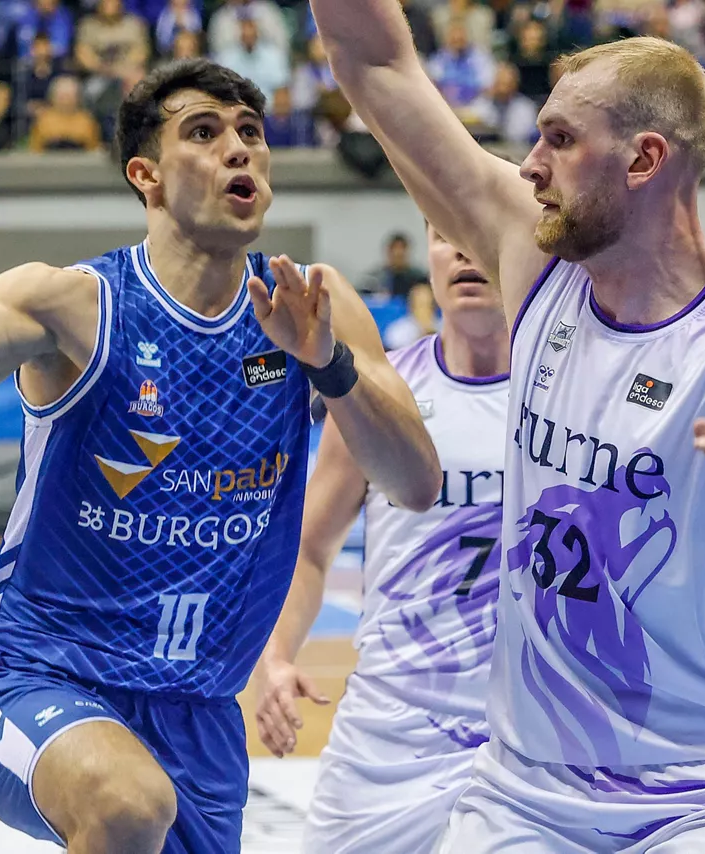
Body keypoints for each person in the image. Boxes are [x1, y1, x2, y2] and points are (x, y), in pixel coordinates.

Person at [0, 58, 441, 854]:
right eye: (205, 131)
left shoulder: (310, 304)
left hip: (201, 712)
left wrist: (328, 361)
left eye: (251, 133)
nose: (239, 149)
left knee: (136, 805)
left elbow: (416, 482)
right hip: (35, 676)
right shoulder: (73, 303)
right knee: (125, 802)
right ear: (145, 175)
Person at [310, 2, 705, 847]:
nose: (530, 164)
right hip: (526, 787)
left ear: (644, 159)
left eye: (558, 139)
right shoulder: (533, 255)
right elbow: (377, 65)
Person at [255, 222, 509, 853]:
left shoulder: (573, 394)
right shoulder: (379, 394)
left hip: (528, 736)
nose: (463, 251)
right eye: (445, 235)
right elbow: (310, 549)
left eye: (478, 231)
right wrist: (278, 655)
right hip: (391, 727)